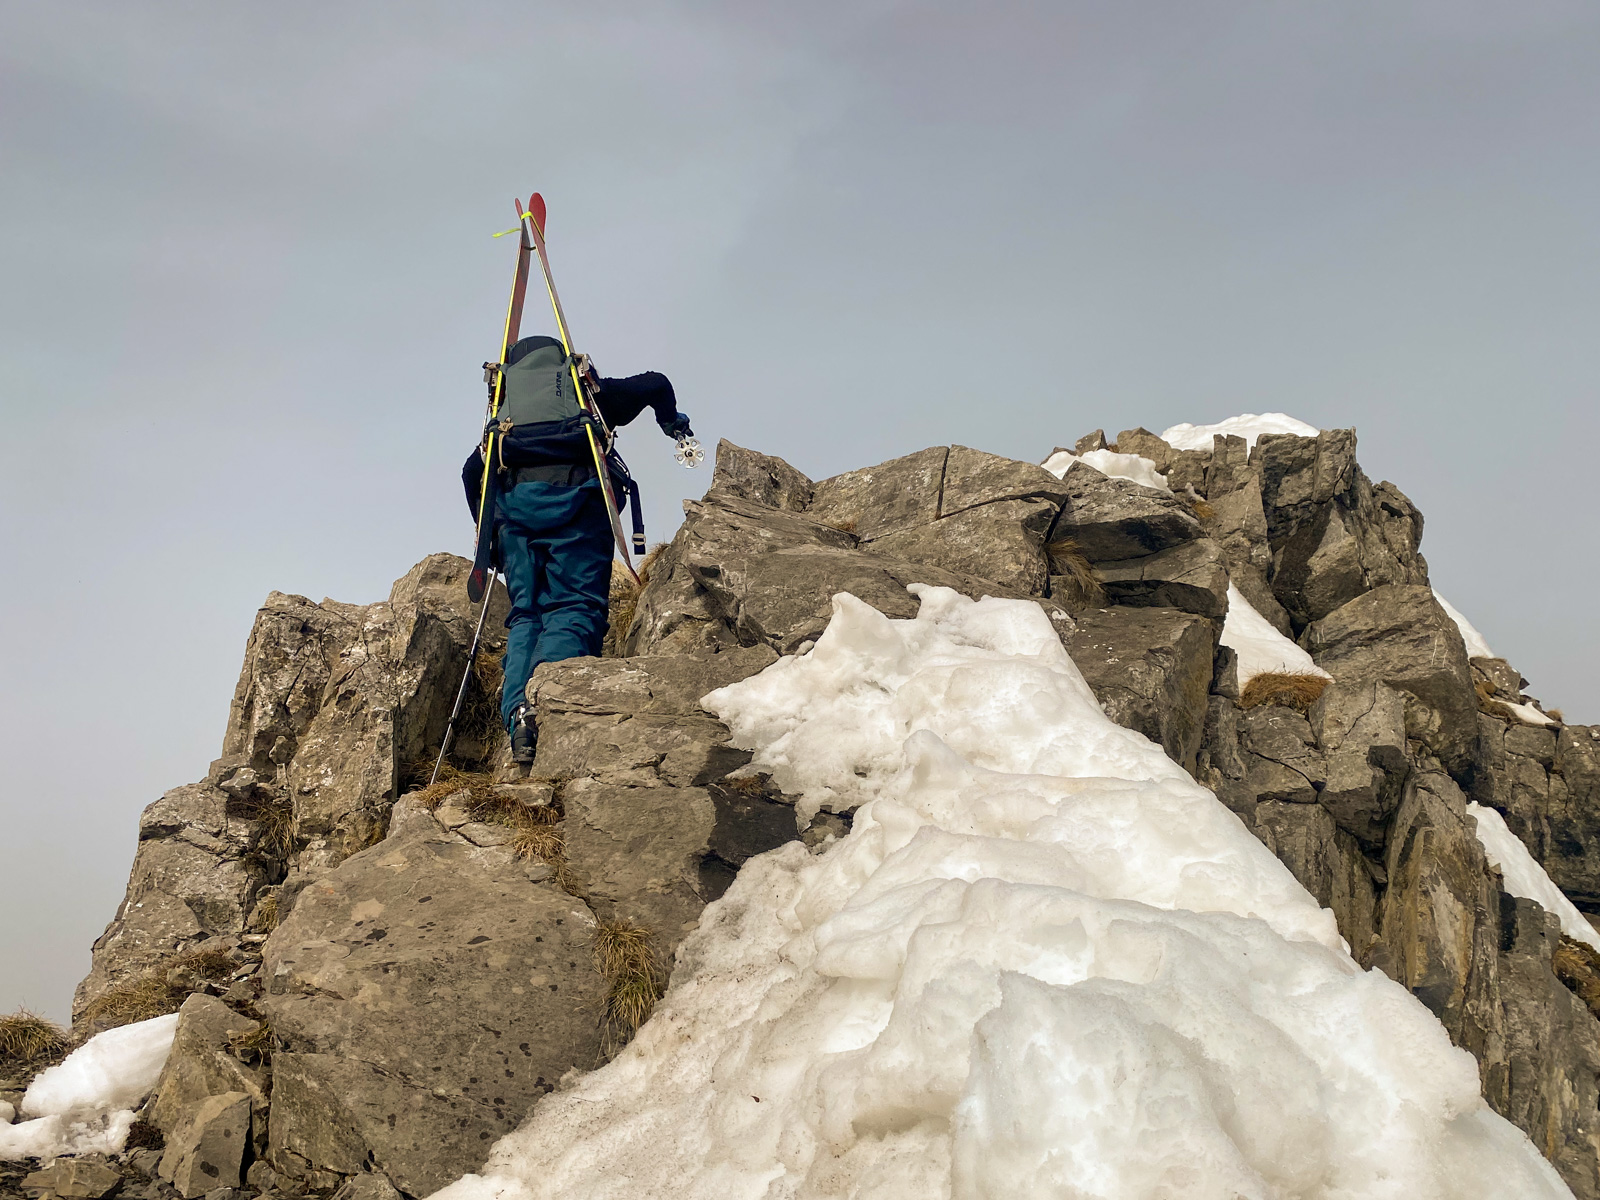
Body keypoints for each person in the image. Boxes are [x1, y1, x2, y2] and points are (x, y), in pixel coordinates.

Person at [461, 334, 692, 763]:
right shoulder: (587, 396)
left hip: (515, 524)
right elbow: (656, 383)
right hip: (579, 511)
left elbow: (471, 472)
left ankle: (517, 715)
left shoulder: (503, 417)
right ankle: (546, 704)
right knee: (573, 607)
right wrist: (672, 423)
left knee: (527, 615)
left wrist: (488, 538)